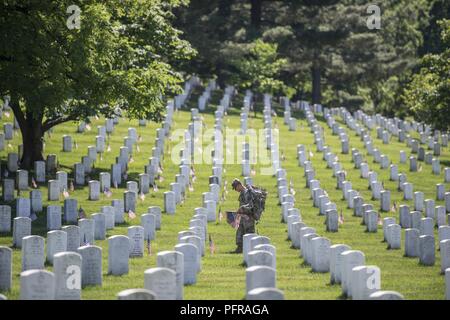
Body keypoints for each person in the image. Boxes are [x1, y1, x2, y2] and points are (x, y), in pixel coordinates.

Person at [230, 178, 256, 253]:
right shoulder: (242, 193)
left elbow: (251, 205)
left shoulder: (247, 193)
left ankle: (250, 250)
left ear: (239, 185)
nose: (235, 190)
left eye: (235, 188)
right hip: (242, 217)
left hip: (248, 217)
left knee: (249, 233)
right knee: (240, 232)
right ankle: (239, 248)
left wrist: (242, 208)